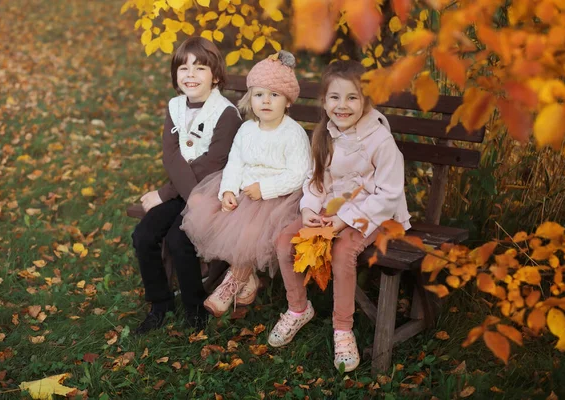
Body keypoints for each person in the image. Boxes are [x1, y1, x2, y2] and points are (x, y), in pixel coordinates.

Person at [268, 60, 411, 372]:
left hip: (373, 214)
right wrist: (308, 208)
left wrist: (346, 220)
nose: (342, 106)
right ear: (324, 100)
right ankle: (298, 308)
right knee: (283, 242)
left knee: (343, 250)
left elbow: (388, 195)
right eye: (334, 97)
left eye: (352, 98)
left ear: (366, 100)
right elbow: (316, 181)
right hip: (330, 210)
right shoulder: (324, 134)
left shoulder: (381, 141)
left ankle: (343, 329)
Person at [180, 51, 312, 317]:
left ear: (287, 102)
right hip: (244, 190)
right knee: (200, 204)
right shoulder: (247, 129)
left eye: (274, 95)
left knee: (251, 230)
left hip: (278, 198)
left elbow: (299, 174)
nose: (266, 101)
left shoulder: (293, 133)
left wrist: (265, 189)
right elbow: (235, 163)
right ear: (250, 98)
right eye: (259, 94)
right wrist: (228, 189)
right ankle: (247, 276)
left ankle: (233, 282)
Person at [131, 37, 242, 335]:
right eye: (183, 68)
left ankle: (195, 309)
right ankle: (160, 303)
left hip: (211, 192)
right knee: (143, 235)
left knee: (180, 240)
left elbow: (212, 164)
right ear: (175, 75)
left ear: (215, 76)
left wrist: (165, 194)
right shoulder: (175, 106)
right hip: (183, 188)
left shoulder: (227, 114)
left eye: (200, 67)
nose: (190, 74)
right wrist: (175, 195)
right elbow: (171, 154)